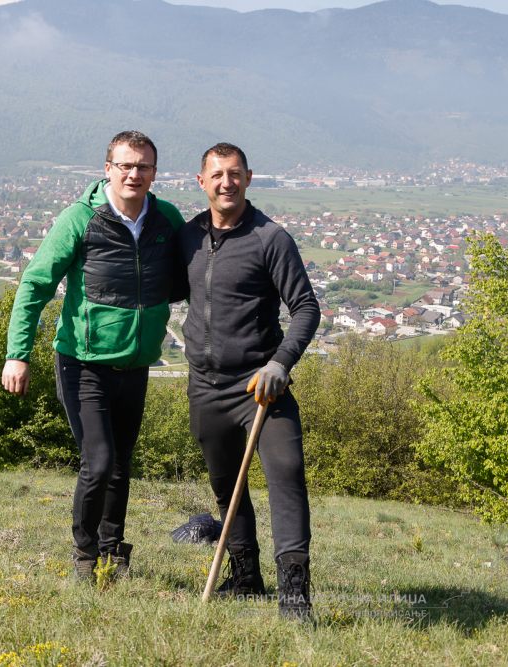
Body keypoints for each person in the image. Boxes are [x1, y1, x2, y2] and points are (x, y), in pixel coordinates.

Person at [2, 130, 185, 580]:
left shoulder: (166, 219)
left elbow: (190, 277)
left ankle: (113, 550)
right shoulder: (80, 219)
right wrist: (17, 354)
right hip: (82, 362)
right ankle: (86, 555)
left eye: (143, 166)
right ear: (108, 169)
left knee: (121, 464)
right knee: (99, 462)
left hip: (136, 362)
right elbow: (35, 284)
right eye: (125, 165)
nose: (134, 174)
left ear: (154, 173)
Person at [178, 143, 320, 619]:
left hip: (261, 386)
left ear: (249, 178)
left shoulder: (270, 238)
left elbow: (306, 308)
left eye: (235, 173)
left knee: (287, 476)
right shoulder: (188, 237)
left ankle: (294, 595)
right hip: (205, 386)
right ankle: (245, 578)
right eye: (217, 174)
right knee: (226, 487)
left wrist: (280, 363)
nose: (227, 182)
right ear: (201, 181)